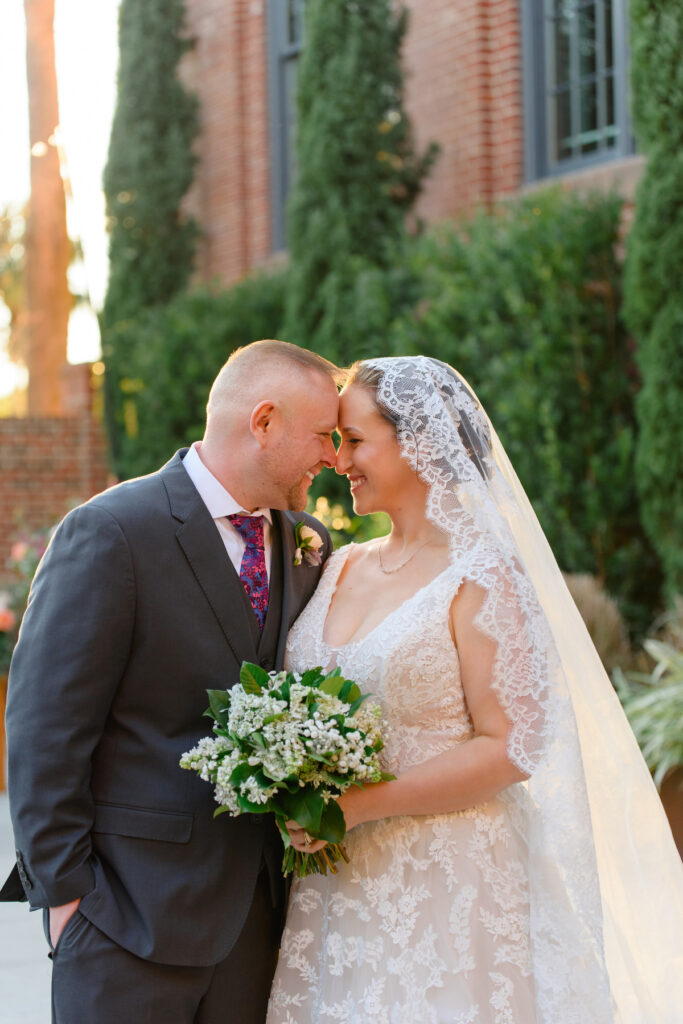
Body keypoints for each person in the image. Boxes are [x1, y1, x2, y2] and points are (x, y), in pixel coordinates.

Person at [267, 355, 683, 1024]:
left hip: (450, 888)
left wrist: (358, 807)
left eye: (356, 440)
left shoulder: (482, 575)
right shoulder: (335, 564)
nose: (339, 460)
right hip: (336, 891)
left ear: (420, 443)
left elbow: (511, 746)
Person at [1, 339, 340, 1024]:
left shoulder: (309, 545)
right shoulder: (112, 532)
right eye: (323, 435)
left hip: (258, 928)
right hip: (125, 924)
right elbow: (45, 732)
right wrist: (70, 905)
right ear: (264, 422)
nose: (333, 456)